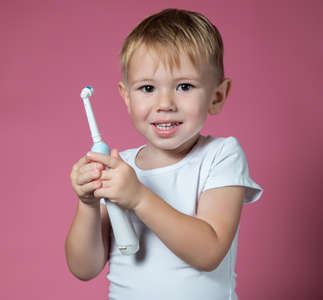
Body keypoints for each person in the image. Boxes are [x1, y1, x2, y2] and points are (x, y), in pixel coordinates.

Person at [65, 8, 263, 300]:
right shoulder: (122, 169)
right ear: (127, 97)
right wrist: (87, 204)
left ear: (217, 96)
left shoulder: (221, 156)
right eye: (147, 88)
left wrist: (139, 197)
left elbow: (208, 252)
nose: (165, 103)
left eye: (184, 86)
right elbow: (84, 268)